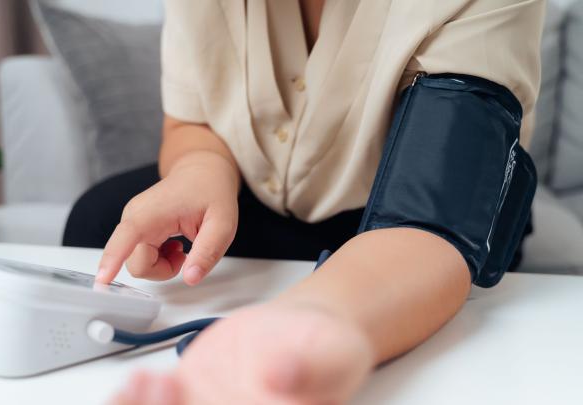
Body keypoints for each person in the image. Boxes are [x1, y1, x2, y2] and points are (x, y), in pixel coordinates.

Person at [63, 0, 544, 403]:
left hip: (416, 224)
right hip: (252, 191)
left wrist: (308, 323)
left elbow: (431, 217)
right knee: (100, 218)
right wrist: (199, 170)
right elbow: (191, 120)